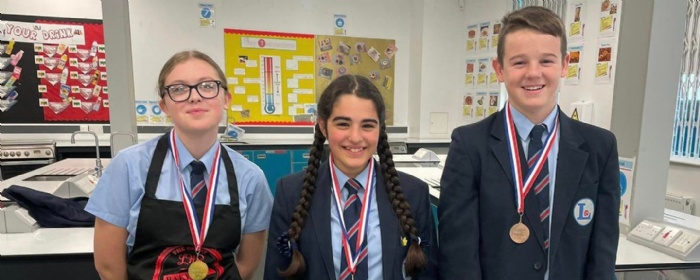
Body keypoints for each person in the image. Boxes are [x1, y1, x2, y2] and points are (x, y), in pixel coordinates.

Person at [438, 6, 619, 280]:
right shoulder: (469, 146)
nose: (533, 73)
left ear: (564, 65)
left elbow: (602, 254)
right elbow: (458, 255)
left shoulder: (599, 148)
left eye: (546, 61)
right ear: (499, 69)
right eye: (519, 62)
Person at [85, 50, 273, 280]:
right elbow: (108, 266)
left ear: (226, 99)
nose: (195, 97)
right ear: (164, 105)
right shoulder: (128, 167)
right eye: (179, 89)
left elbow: (247, 264)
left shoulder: (250, 177)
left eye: (207, 86)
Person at [264, 75, 438, 280]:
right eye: (343, 124)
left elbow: (428, 274)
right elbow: (277, 274)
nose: (355, 137)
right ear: (322, 125)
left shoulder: (413, 192)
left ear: (380, 128)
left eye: (367, 125)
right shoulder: (290, 192)